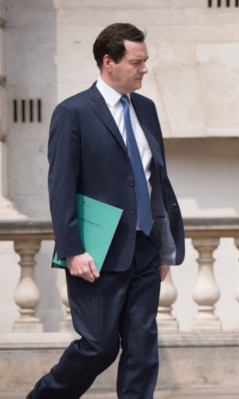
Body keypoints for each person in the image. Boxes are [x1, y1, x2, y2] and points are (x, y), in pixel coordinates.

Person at [27, 23, 185, 399]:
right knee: (98, 347)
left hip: (145, 248)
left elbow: (153, 180)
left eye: (145, 61)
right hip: (96, 251)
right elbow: (61, 186)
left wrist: (163, 247)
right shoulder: (73, 112)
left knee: (143, 350)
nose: (145, 69)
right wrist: (72, 250)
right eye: (137, 62)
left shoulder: (145, 109)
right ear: (108, 62)